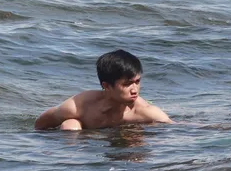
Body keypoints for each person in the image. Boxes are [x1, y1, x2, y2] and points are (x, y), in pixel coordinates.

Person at [35, 49, 172, 130]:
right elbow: (41, 124)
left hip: (118, 139)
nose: (134, 89)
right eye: (127, 84)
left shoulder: (144, 111)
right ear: (106, 86)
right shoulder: (78, 106)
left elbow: (174, 127)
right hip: (87, 141)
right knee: (70, 126)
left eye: (137, 82)